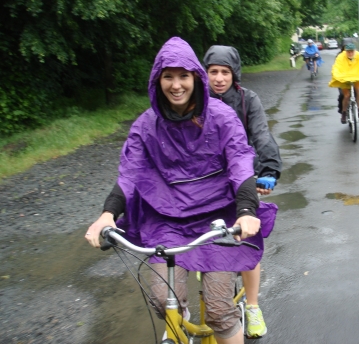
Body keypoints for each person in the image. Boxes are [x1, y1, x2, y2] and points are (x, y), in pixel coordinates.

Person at [84, 37, 278, 344]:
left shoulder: (223, 117)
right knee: (163, 301)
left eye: (183, 76)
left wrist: (246, 211)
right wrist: (108, 215)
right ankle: (180, 317)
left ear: (195, 78)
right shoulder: (146, 125)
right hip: (167, 220)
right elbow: (130, 173)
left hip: (218, 218)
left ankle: (244, 309)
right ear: (157, 80)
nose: (176, 85)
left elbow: (241, 162)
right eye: (168, 76)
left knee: (218, 311)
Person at [203, 45, 282, 338]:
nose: (219, 78)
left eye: (225, 72)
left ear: (234, 74)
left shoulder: (248, 100)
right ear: (205, 73)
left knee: (247, 239)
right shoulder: (195, 100)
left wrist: (270, 170)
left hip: (244, 176)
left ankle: (252, 306)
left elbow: (261, 134)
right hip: (206, 182)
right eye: (213, 72)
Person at [329, 43, 359, 124]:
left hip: (356, 77)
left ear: (355, 51)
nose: (350, 53)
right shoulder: (340, 57)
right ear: (345, 51)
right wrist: (337, 76)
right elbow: (336, 68)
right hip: (344, 78)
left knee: (358, 90)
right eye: (348, 52)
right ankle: (344, 112)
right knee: (346, 95)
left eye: (352, 52)